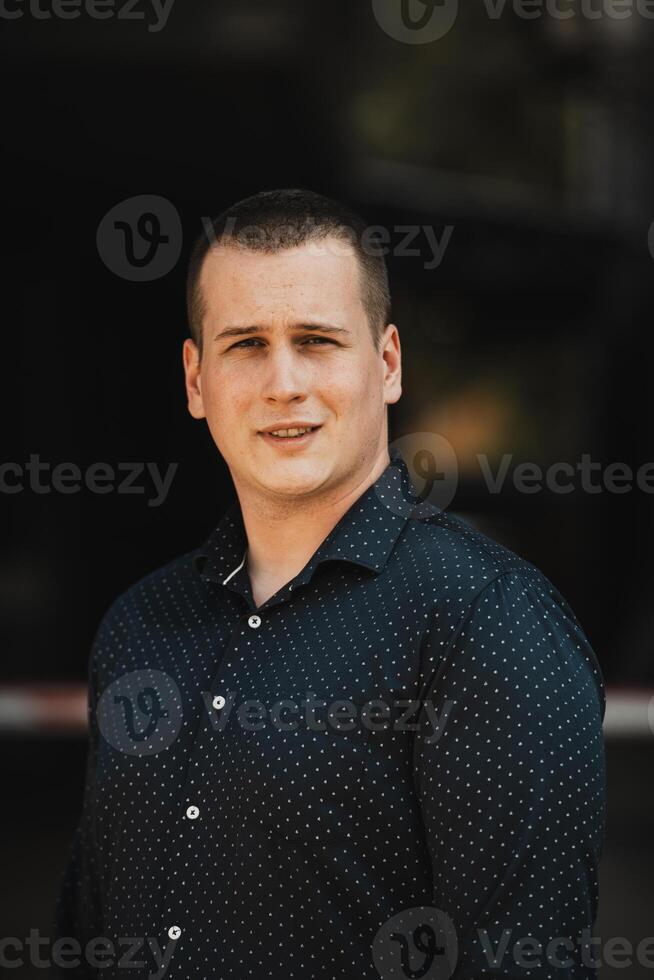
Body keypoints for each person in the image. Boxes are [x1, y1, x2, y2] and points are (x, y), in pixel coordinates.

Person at [51, 188, 607, 980]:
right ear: (195, 378)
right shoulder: (141, 621)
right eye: (245, 344)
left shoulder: (489, 624)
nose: (283, 382)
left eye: (316, 340)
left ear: (386, 363)